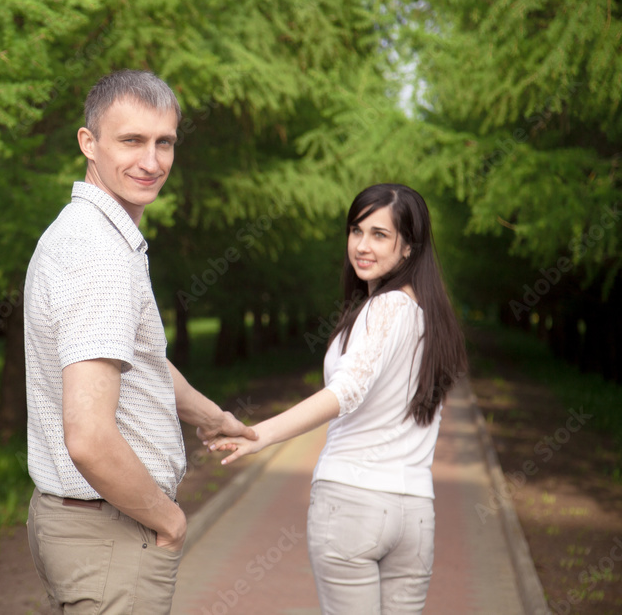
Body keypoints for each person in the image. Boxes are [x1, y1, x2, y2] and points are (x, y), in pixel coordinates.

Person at [23, 69, 259, 615]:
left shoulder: (82, 230)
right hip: (111, 534)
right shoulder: (99, 258)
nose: (151, 162)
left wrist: (212, 417)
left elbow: (140, 364)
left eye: (165, 142)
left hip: (81, 528)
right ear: (89, 142)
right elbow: (87, 437)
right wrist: (169, 521)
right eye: (131, 140)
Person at [210, 183, 468, 614]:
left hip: (353, 502)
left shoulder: (385, 308)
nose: (362, 246)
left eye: (379, 235)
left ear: (408, 249)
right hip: (416, 514)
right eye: (356, 231)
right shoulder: (432, 319)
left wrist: (261, 434)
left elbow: (347, 391)